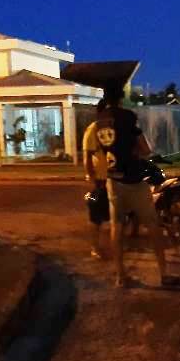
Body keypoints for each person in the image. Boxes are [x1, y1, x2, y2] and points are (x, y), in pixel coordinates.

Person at [95, 85, 172, 287]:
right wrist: (138, 152)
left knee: (117, 226)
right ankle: (164, 273)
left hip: (113, 180)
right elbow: (144, 149)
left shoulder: (99, 121)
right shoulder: (127, 117)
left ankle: (121, 276)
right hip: (133, 179)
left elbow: (101, 153)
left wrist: (103, 178)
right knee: (153, 224)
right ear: (121, 98)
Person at [83, 99, 110, 259]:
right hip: (101, 179)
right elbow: (87, 157)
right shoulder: (93, 129)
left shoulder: (115, 129)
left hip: (116, 177)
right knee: (96, 215)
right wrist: (93, 179)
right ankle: (95, 247)